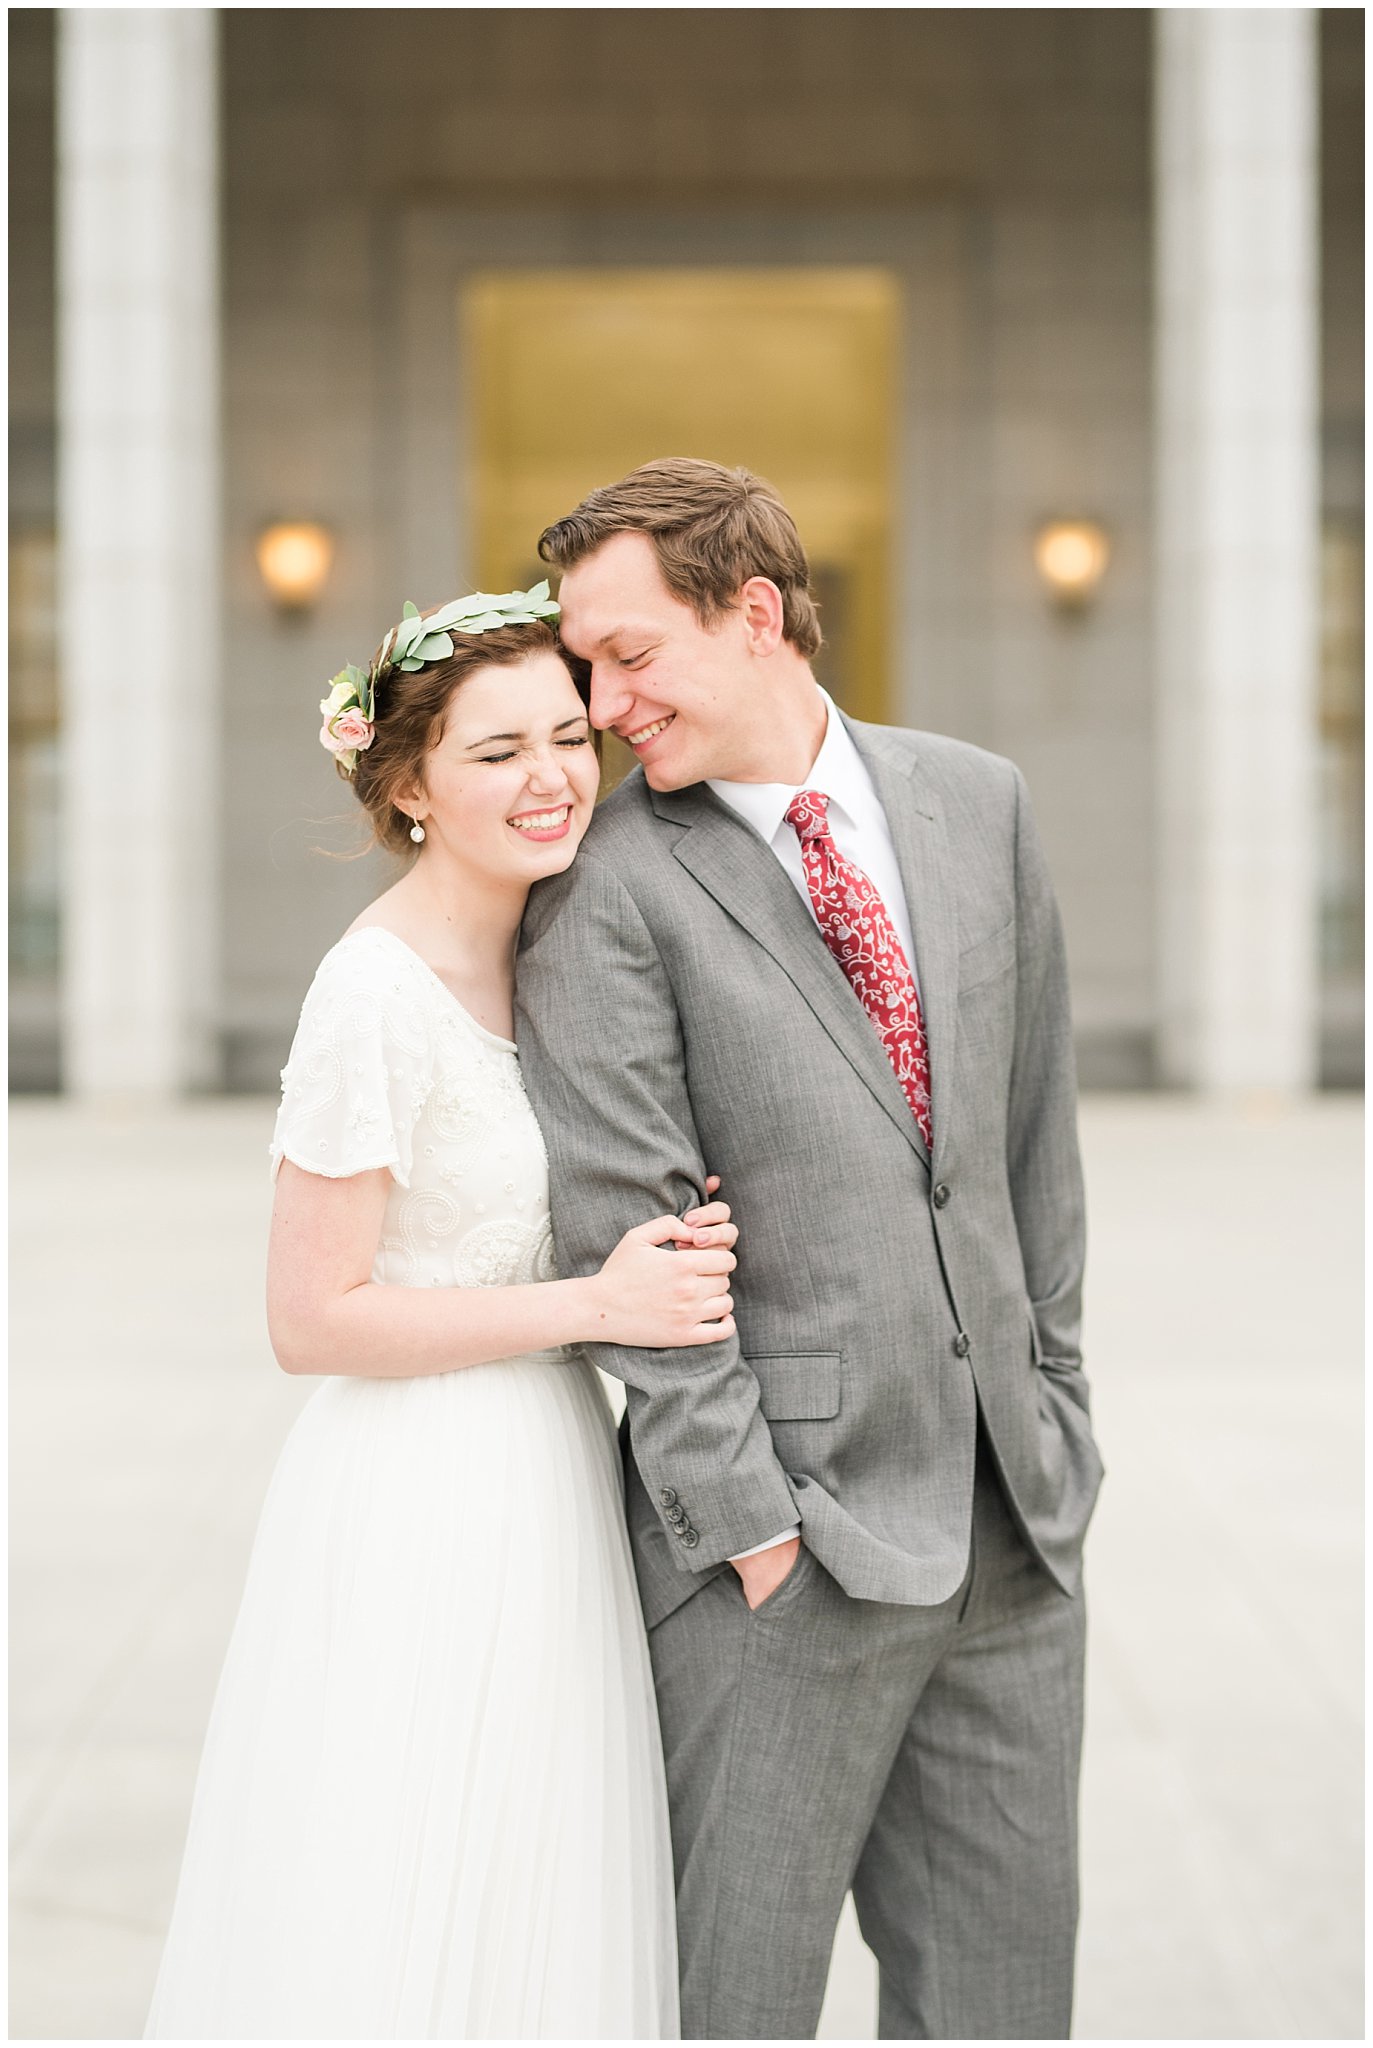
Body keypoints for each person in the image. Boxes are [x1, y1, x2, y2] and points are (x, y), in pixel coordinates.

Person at [515, 461, 1105, 2040]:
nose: (604, 704)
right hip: (787, 1559)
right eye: (585, 668)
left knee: (999, 2003)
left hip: (1012, 1538)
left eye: (628, 654)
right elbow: (622, 1232)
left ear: (754, 612)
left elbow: (1032, 1142)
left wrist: (1053, 1414)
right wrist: (753, 1534)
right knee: (739, 2011)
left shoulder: (975, 802)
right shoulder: (604, 886)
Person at [145, 588, 741, 2039]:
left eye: (564, 737)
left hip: (548, 1470)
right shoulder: (371, 993)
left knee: (537, 1875)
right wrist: (595, 1301)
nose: (550, 778)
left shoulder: (558, 953)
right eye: (496, 754)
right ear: (409, 783)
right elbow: (311, 1315)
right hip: (420, 1488)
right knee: (412, 1869)